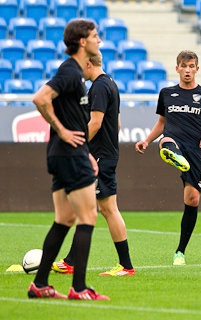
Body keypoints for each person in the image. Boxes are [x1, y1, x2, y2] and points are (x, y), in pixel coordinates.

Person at [28, 19, 109, 300]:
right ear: (83, 41)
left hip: (67, 154)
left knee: (64, 218)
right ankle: (79, 288)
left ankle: (40, 285)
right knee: (89, 215)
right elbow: (40, 98)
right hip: (67, 154)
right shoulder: (71, 73)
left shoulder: (74, 73)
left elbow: (70, 116)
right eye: (96, 36)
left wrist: (86, 151)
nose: (100, 41)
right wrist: (62, 132)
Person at [135, 50, 201, 265]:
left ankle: (180, 252)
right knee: (166, 142)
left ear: (197, 69)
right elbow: (161, 123)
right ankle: (172, 154)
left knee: (192, 199)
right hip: (173, 139)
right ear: (177, 69)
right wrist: (146, 140)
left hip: (196, 150)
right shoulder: (167, 93)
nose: (187, 70)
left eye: (191, 66)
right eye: (183, 66)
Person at [51, 53, 135, 276]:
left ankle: (126, 266)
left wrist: (77, 146)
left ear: (89, 63)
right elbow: (116, 124)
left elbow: (96, 123)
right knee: (90, 207)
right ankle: (71, 261)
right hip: (104, 154)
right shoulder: (110, 84)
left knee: (107, 208)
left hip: (99, 156)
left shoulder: (98, 87)